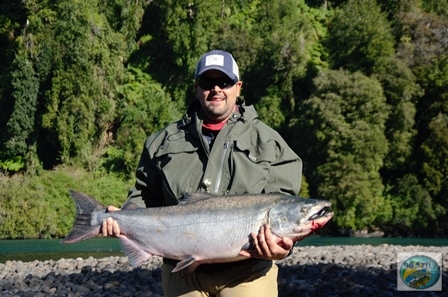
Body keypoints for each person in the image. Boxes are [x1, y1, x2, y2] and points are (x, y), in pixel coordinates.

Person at [102, 49, 303, 297]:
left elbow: (287, 212)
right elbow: (145, 195)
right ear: (196, 87)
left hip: (247, 272)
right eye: (207, 82)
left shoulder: (271, 143)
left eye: (225, 82)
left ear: (238, 87)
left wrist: (283, 247)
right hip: (181, 271)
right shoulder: (162, 142)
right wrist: (122, 219)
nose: (216, 89)